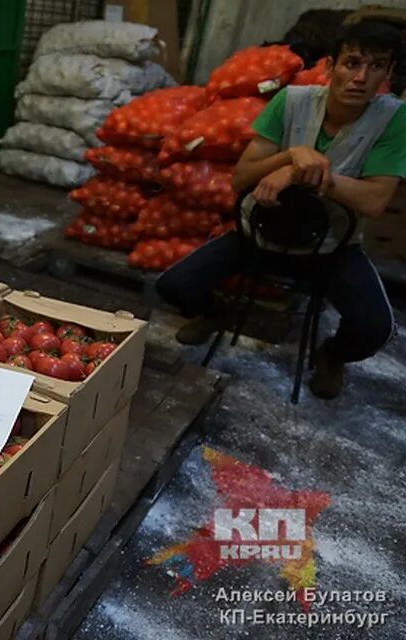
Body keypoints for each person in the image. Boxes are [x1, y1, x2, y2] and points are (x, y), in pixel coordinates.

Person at [156, 21, 405, 400]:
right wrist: (289, 154)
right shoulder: (290, 101)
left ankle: (332, 355)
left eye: (376, 67)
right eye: (352, 63)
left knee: (377, 328)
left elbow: (373, 201)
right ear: (329, 67)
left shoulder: (394, 120)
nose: (361, 77)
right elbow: (241, 179)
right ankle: (215, 312)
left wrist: (304, 171)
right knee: (172, 285)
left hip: (332, 248)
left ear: (388, 74)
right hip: (259, 234)